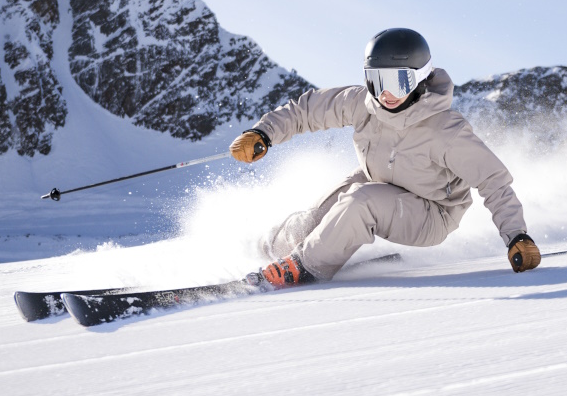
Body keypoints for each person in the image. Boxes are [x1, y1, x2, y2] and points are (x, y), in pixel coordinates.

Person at [228, 28, 540, 286]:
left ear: (420, 78)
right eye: (376, 81)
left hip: (433, 212)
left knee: (360, 203)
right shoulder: (363, 104)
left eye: (398, 82)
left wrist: (517, 236)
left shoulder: (446, 131)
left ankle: (301, 267)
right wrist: (264, 133)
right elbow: (306, 110)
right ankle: (268, 246)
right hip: (379, 179)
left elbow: (493, 181)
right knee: (318, 215)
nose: (385, 94)